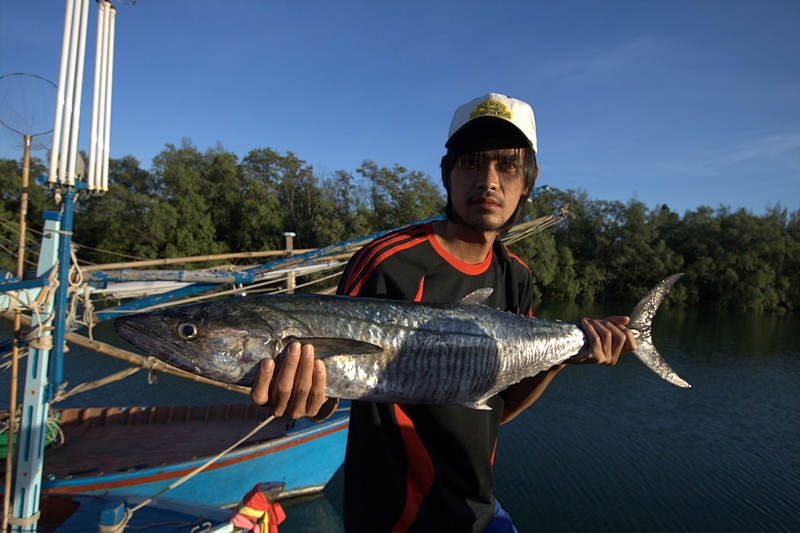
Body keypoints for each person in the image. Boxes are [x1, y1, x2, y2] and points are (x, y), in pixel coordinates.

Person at [250, 93, 637, 532]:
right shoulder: (385, 261)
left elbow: (496, 407)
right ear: (447, 174)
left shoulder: (517, 276)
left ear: (529, 181)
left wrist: (566, 357)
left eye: (507, 165)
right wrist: (304, 400)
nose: (488, 181)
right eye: (471, 162)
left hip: (479, 513)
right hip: (395, 520)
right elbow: (333, 397)